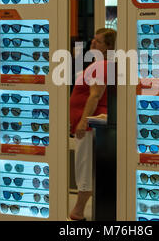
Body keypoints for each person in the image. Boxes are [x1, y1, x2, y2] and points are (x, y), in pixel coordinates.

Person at [69, 28, 117, 221]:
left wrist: (82, 122)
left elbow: (95, 95)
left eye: (98, 42)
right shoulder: (99, 65)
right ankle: (79, 211)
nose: (92, 44)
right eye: (93, 40)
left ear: (108, 47)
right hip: (89, 125)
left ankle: (78, 212)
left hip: (89, 126)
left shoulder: (103, 65)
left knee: (84, 170)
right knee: (85, 169)